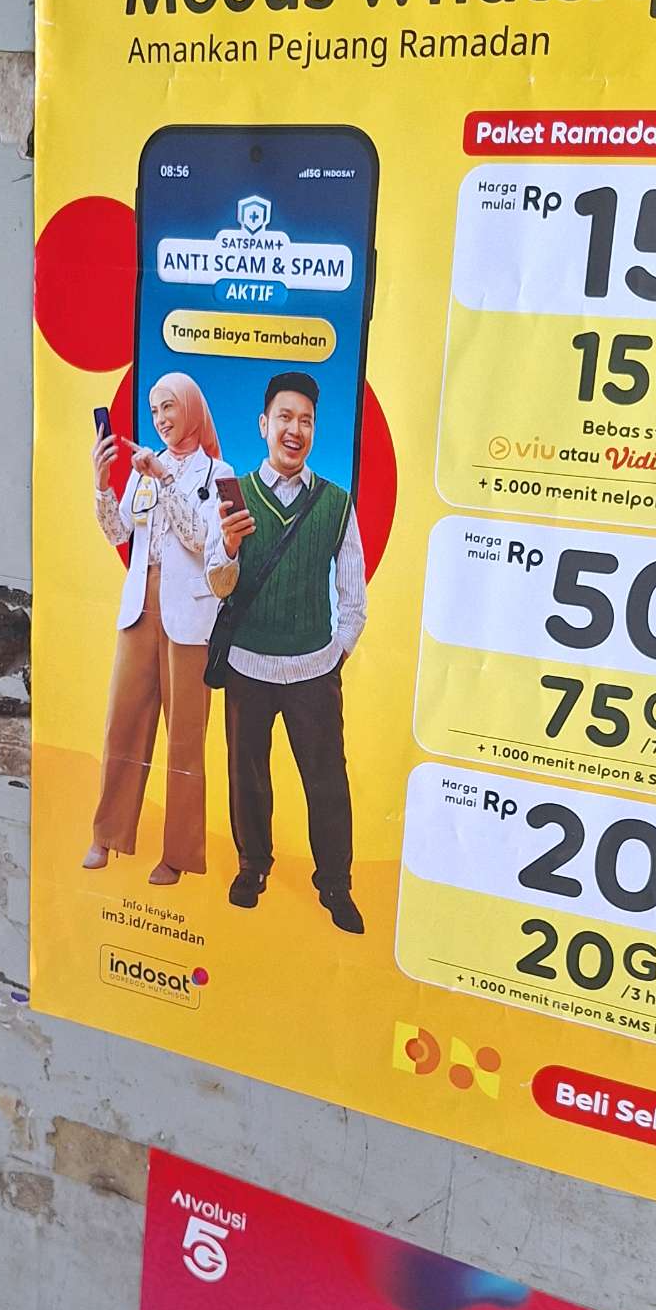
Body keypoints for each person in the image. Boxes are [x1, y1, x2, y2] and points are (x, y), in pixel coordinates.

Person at [213, 370, 367, 933]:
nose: (294, 430)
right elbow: (217, 584)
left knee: (327, 781)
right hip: (247, 665)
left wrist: (335, 653)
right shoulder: (233, 497)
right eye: (284, 417)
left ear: (314, 429)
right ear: (263, 424)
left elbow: (354, 594)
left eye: (305, 420)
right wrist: (229, 545)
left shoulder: (336, 503)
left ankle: (335, 884)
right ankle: (252, 866)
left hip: (313, 670)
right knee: (247, 775)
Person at [85, 372, 237, 885]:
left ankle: (178, 854)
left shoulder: (218, 473)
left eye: (168, 407)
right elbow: (117, 532)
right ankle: (107, 833)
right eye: (154, 411)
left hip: (189, 616)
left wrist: (166, 480)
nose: (160, 419)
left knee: (186, 738)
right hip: (140, 605)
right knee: (122, 722)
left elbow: (200, 540)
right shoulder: (144, 468)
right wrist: (103, 484)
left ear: (191, 408)